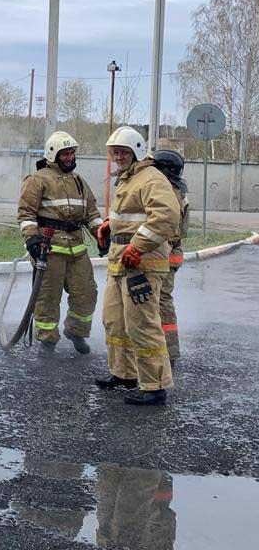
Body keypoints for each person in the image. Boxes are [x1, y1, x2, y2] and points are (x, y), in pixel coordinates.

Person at [94, 126, 180, 406]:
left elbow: (166, 217)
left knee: (142, 324)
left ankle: (155, 385)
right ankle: (125, 374)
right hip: (121, 261)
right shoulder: (128, 179)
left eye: (123, 152)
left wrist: (137, 246)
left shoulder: (150, 178)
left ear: (137, 152)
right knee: (115, 320)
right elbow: (132, 215)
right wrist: (110, 225)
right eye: (115, 152)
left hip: (141, 264)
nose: (118, 156)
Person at [16, 131, 102, 354]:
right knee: (48, 296)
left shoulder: (79, 181)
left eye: (72, 153)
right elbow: (26, 215)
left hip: (77, 248)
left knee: (87, 292)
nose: (70, 158)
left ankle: (76, 331)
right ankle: (47, 339)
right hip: (49, 248)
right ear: (53, 155)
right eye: (65, 154)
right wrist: (32, 238)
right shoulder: (37, 180)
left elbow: (92, 214)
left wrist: (101, 233)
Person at [152, 148, 189, 364]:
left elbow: (169, 229)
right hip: (169, 255)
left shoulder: (171, 193)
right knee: (161, 302)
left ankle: (168, 352)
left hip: (165, 254)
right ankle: (166, 350)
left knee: (161, 303)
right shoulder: (175, 189)